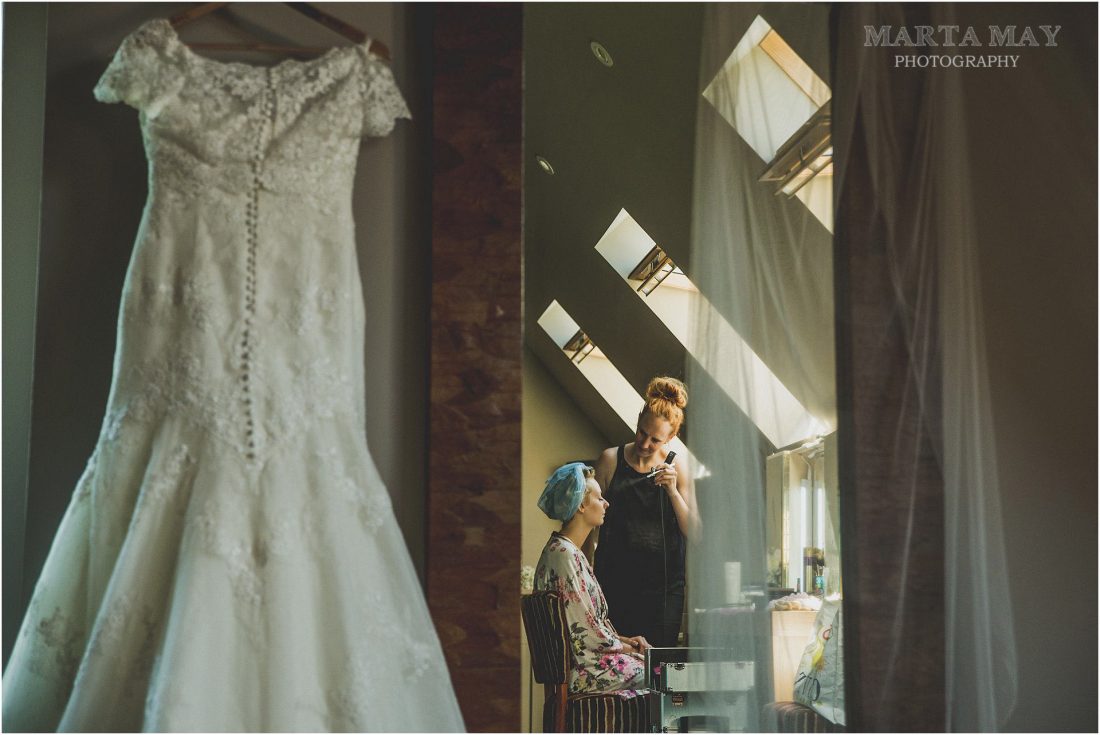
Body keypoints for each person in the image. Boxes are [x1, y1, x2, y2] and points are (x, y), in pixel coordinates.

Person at [590, 377, 698, 648]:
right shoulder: (610, 460)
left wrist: (673, 492)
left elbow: (696, 532)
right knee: (616, 660)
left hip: (663, 591)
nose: (645, 443)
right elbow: (589, 524)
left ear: (670, 438)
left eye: (655, 439)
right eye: (642, 432)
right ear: (638, 420)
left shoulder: (678, 468)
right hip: (613, 583)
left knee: (658, 666)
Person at [534, 463, 652, 696]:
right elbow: (583, 631)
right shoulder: (563, 555)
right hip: (586, 669)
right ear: (581, 505)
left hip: (591, 661)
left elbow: (583, 622)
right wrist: (627, 648)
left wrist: (625, 641)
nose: (606, 503)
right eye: (599, 498)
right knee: (663, 675)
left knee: (660, 669)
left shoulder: (569, 552)